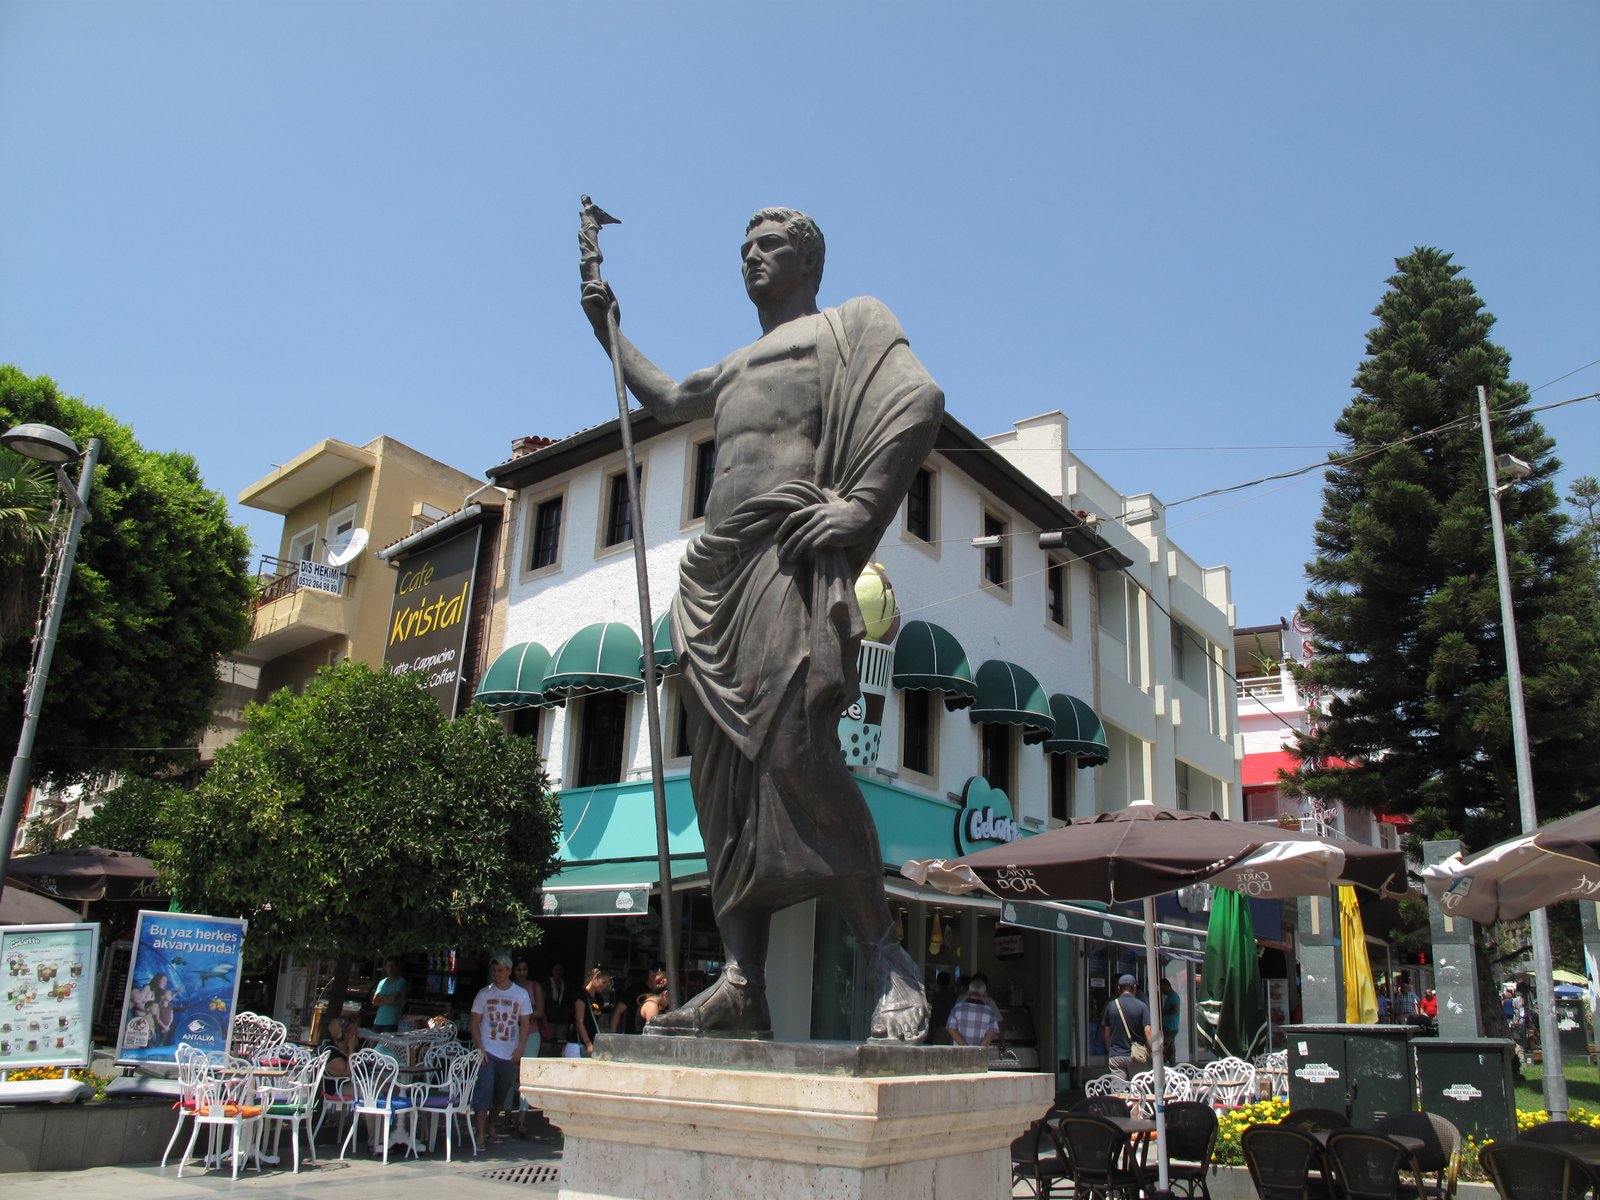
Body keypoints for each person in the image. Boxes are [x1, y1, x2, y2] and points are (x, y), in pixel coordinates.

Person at [581, 207, 943, 1043]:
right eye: (742, 247)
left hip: (787, 560)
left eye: (769, 245)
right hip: (716, 578)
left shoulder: (850, 325)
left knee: (795, 753)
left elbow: (918, 400)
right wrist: (611, 333)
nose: (750, 257)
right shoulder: (735, 363)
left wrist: (859, 507)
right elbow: (669, 399)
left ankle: (886, 952)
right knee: (720, 782)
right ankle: (742, 980)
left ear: (809, 258)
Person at [471, 954, 531, 1147]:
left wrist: (520, 1048)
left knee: (501, 1093)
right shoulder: (484, 993)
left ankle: (492, 1124)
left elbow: (525, 1023)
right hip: (488, 1050)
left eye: (500, 971)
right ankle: (479, 1133)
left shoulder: (520, 994)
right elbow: (474, 1023)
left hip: (509, 1051)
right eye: (494, 971)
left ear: (508, 971)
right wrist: (480, 1048)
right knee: (484, 1091)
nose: (496, 974)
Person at [510, 959, 545, 1136]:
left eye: (524, 969)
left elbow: (540, 1011)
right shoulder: (509, 987)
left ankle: (521, 1119)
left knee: (526, 1075)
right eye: (518, 969)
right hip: (511, 1034)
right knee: (509, 1073)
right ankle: (507, 1113)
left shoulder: (534, 986)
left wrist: (525, 1015)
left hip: (531, 1033)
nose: (521, 972)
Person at [1102, 974, 1152, 1079]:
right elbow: (1148, 1031)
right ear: (1134, 988)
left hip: (1116, 1056)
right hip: (1136, 1055)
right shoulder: (1142, 1006)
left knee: (1118, 1092)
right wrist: (1149, 1050)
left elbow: (1107, 1034)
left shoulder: (1111, 1006)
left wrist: (1110, 1050)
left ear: (1119, 988)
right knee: (1138, 1089)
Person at [567, 967, 612, 1057]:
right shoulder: (581, 995)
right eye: (603, 982)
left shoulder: (599, 999)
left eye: (607, 984)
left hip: (592, 1042)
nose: (605, 986)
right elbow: (579, 1021)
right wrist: (587, 1043)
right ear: (594, 978)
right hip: (577, 1043)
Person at [945, 977, 1000, 1048]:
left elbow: (950, 1028)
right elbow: (991, 1033)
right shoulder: (989, 1012)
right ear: (985, 994)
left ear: (968, 992)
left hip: (960, 1054)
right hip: (980, 1056)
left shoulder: (957, 1008)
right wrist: (978, 1050)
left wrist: (965, 1047)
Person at [370, 957, 407, 1033]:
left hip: (391, 1021)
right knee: (375, 1044)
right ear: (385, 967)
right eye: (388, 965)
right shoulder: (382, 982)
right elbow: (374, 1002)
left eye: (393, 965)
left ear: (397, 967)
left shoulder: (401, 982)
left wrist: (381, 997)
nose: (390, 968)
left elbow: (392, 999)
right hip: (378, 1021)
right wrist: (387, 999)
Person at [318, 1014, 359, 1078]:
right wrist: (351, 1049)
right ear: (346, 1034)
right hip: (342, 1086)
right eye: (354, 1034)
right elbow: (349, 1074)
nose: (357, 1036)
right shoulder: (331, 1054)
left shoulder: (345, 1049)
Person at [927, 971, 957, 1046]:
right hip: (953, 1029)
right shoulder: (954, 995)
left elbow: (935, 1013)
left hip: (941, 1027)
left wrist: (930, 1029)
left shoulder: (938, 995)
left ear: (937, 981)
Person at [545, 963, 571, 1051]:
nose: (558, 972)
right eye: (556, 970)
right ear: (552, 971)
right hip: (549, 1019)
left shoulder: (566, 985)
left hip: (562, 1019)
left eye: (560, 970)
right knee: (548, 1044)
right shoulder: (546, 984)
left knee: (560, 1045)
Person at [1160, 977, 1181, 1054]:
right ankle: (1172, 1062)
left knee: (1165, 1045)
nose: (1162, 991)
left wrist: (1164, 1012)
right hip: (1170, 1026)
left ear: (1167, 986)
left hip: (1170, 1027)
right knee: (1170, 1047)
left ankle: (1160, 1061)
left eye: (1162, 988)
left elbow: (1175, 1009)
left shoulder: (1173, 996)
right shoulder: (1170, 996)